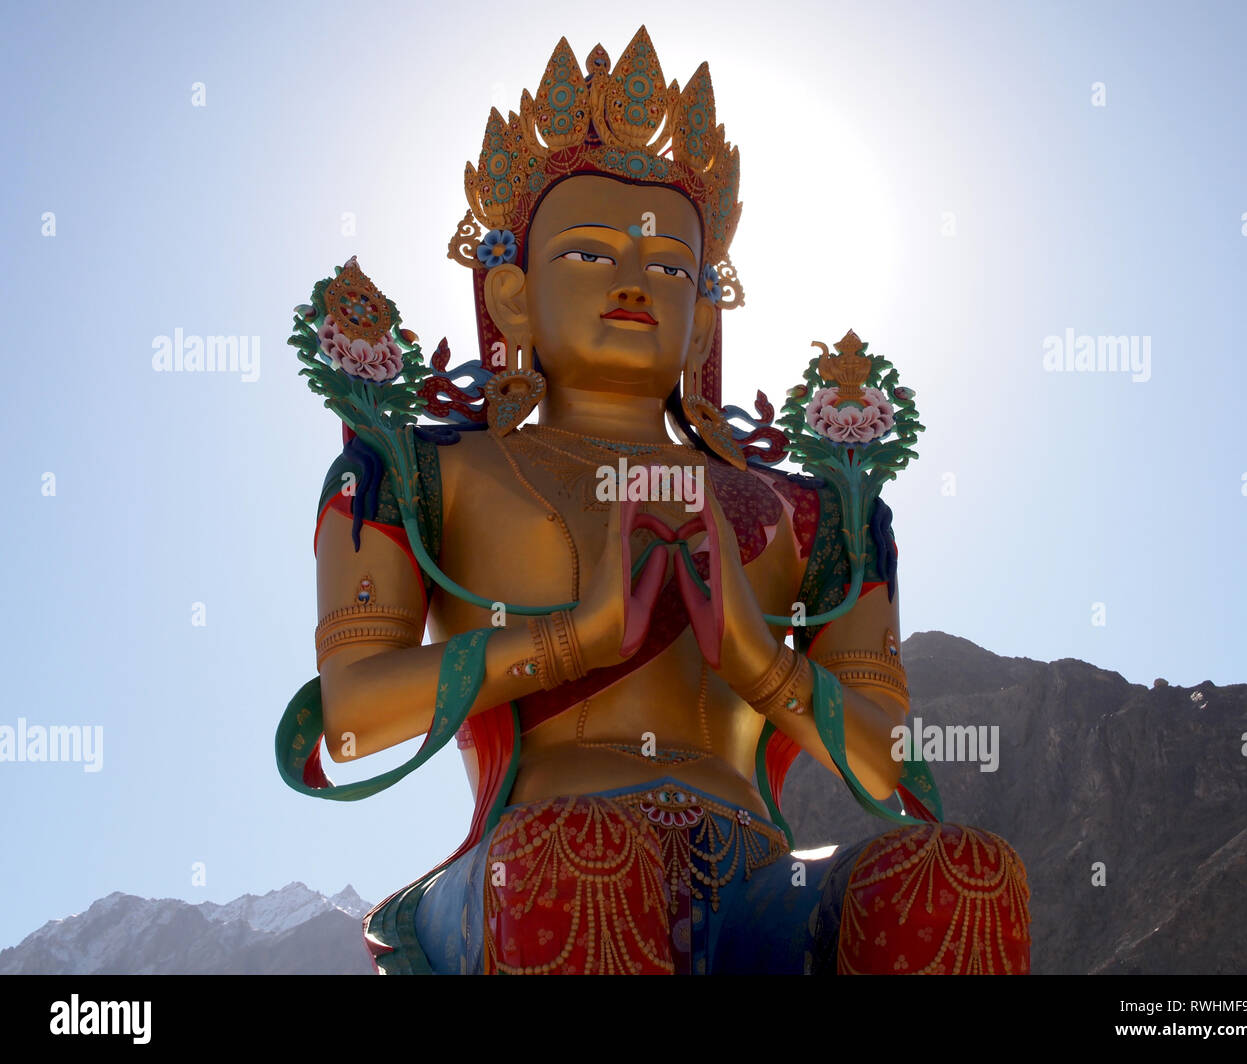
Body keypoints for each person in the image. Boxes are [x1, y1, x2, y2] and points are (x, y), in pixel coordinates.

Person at [300, 28, 1030, 975]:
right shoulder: (426, 474)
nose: (636, 281)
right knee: (584, 866)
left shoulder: (810, 513)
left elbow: (896, 763)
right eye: (591, 256)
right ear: (513, 298)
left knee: (962, 876)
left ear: (703, 322)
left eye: (671, 268)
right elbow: (349, 720)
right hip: (533, 854)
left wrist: (764, 665)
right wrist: (572, 641)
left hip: (762, 870)